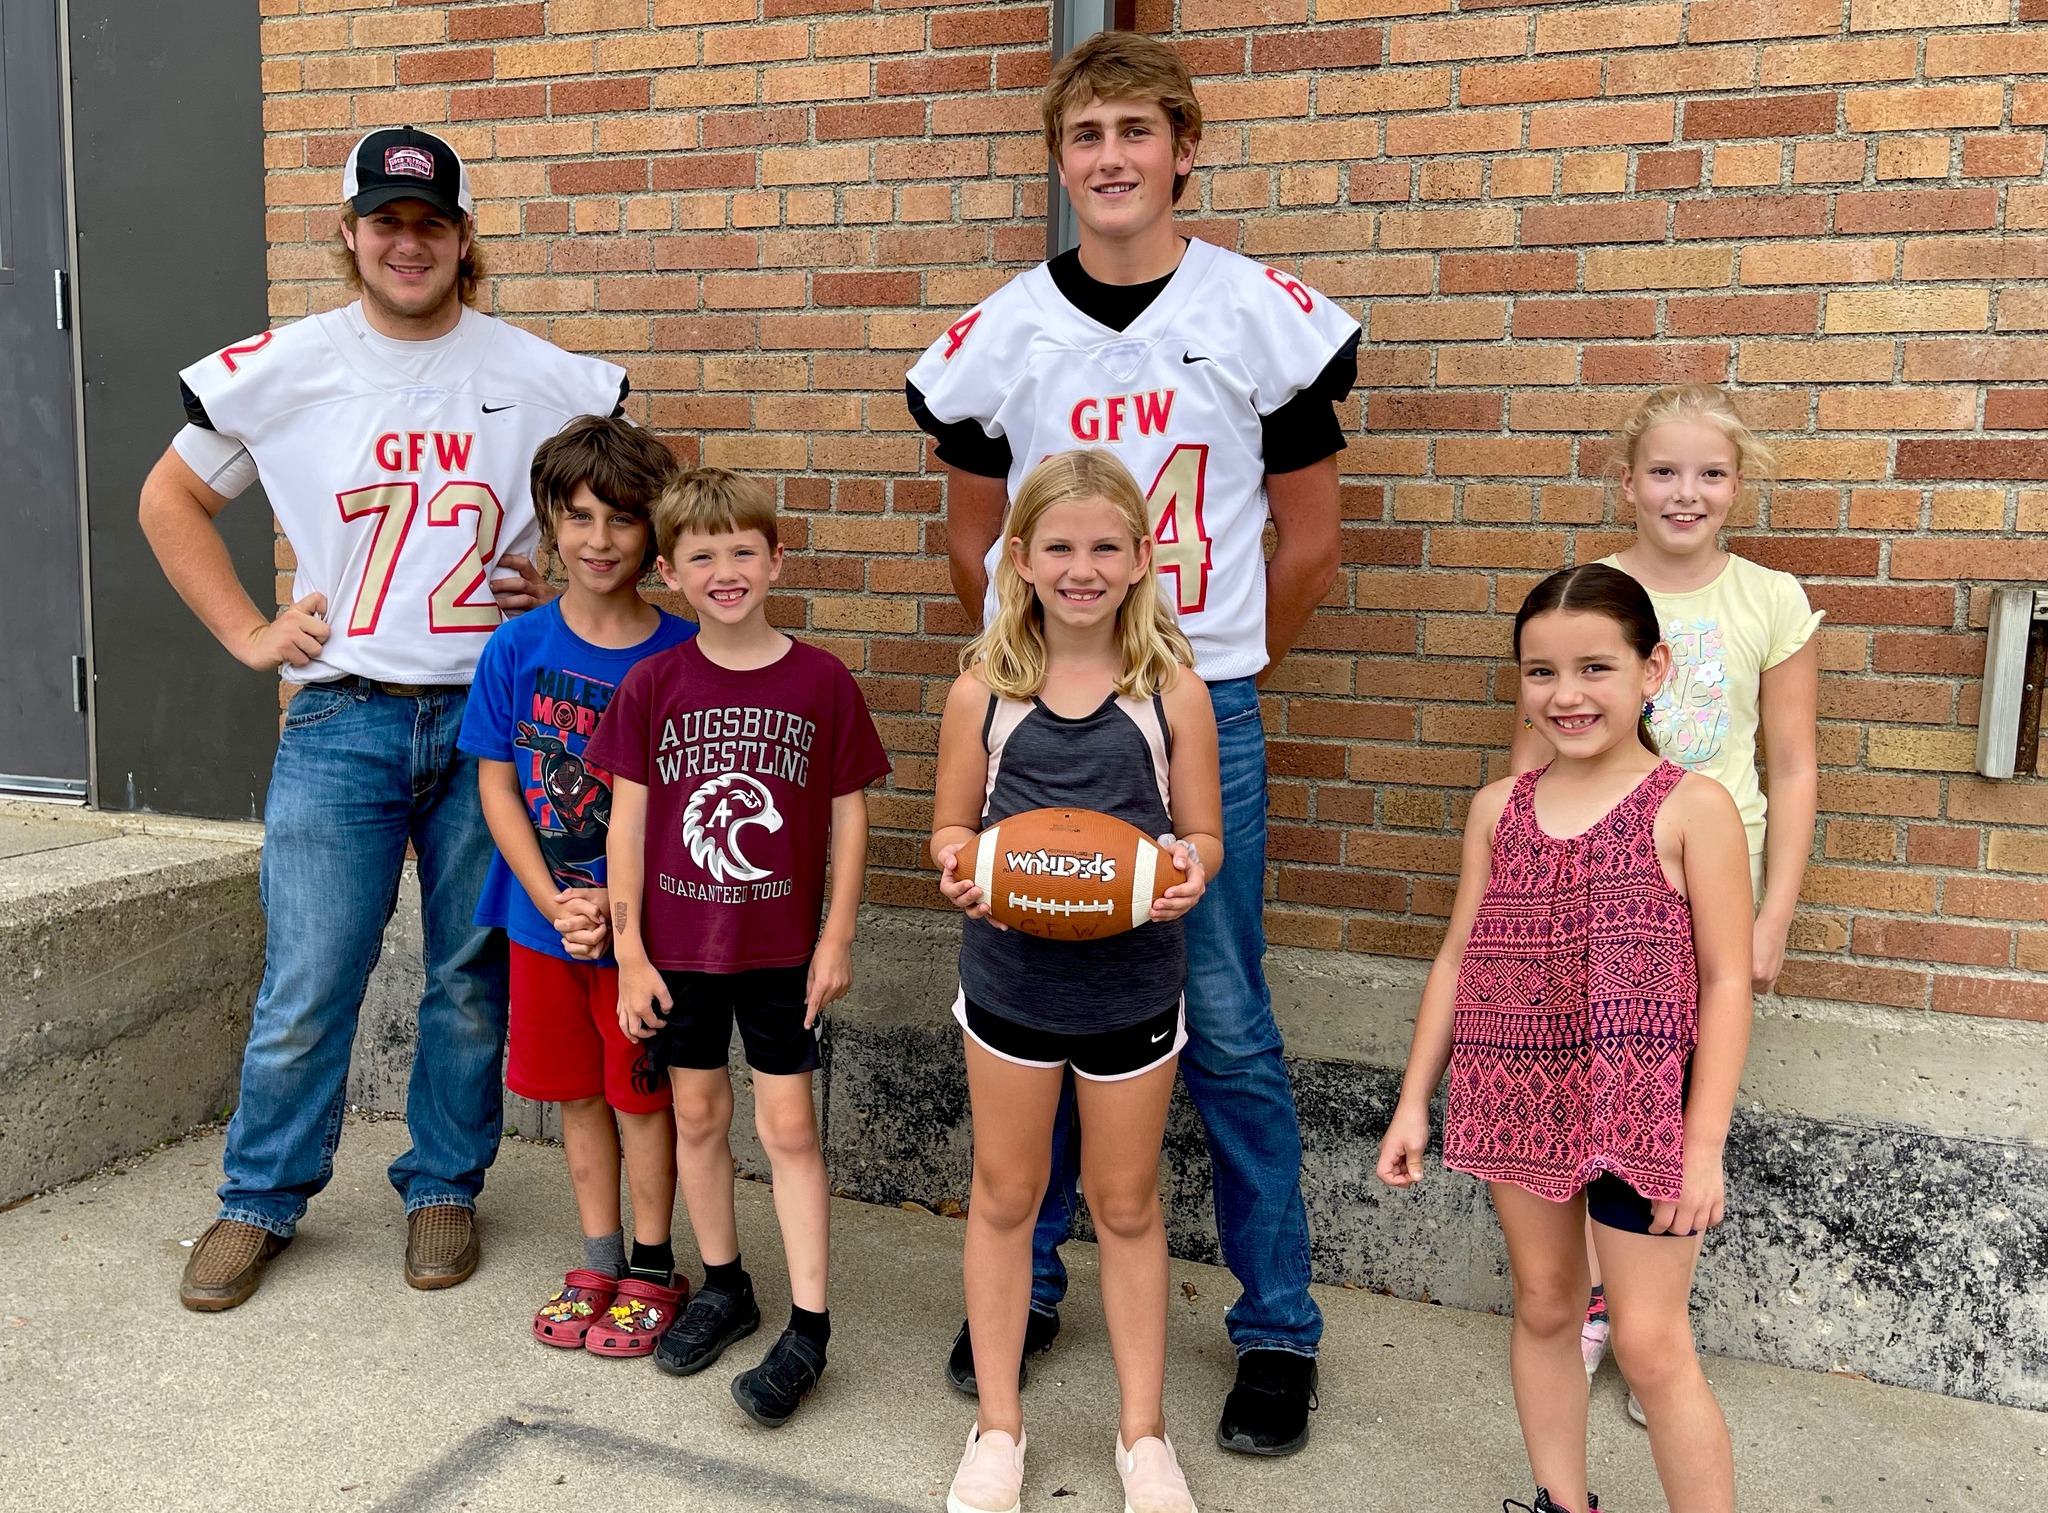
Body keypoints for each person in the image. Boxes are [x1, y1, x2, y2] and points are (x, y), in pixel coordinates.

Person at [905, 29, 1360, 1455]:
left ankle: (1277, 1324)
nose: (1112, 159)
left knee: (1220, 1020)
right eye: (1087, 135)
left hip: (1189, 702)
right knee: (1035, 981)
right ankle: (1026, 1286)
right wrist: (1024, 669)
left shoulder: (1256, 312)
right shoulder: (1006, 330)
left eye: (1137, 133)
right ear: (1061, 158)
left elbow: (1314, 532)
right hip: (1042, 702)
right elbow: (975, 535)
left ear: (1183, 150)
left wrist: (1217, 667)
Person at [142, 127, 630, 1311]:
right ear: (351, 236)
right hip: (343, 711)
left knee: (469, 973)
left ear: (464, 240)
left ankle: (442, 1183)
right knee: (312, 970)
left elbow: (611, 520)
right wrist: (250, 634)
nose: (406, 243)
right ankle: (259, 1195)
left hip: (492, 720)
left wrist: (558, 585)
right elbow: (170, 499)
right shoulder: (287, 365)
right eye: (384, 222)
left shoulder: (547, 373)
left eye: (430, 224)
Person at [1380, 564, 1754, 1513]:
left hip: (1641, 1110)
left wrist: (1701, 1141)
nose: (1567, 694)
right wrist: (1416, 1097)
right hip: (1515, 1092)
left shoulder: (1691, 806)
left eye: (1595, 666)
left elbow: (1725, 979)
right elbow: (1460, 956)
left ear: (1651, 668)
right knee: (1546, 1302)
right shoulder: (1498, 807)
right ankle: (1559, 1500)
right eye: (1541, 672)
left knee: (1649, 1341)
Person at [1509, 386, 1818, 1409]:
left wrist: (1771, 913)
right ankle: (1596, 1306)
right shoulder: (1590, 591)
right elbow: (1532, 757)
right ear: (1626, 479)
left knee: (1677, 1099)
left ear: (1738, 486)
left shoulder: (1767, 599)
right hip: (1588, 890)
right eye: (1663, 472)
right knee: (1584, 1084)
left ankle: (1653, 1321)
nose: (1684, 494)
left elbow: (1792, 761)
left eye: (1709, 474)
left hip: (1703, 892)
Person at [932, 451, 1221, 1513]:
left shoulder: (1168, 689)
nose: (1082, 566)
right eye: (1059, 546)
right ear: (1020, 559)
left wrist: (1188, 871)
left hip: (1131, 989)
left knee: (1127, 1202)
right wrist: (960, 868)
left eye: (1105, 546)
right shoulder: (985, 689)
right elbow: (949, 827)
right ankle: (997, 1427)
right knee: (1005, 1195)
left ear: (1144, 557)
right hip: (1009, 984)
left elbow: (1200, 835)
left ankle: (1143, 1438)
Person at [590, 467, 890, 1426]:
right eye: (702, 556)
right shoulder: (654, 685)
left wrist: (836, 934)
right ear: (670, 572)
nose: (725, 570)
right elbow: (624, 831)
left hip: (776, 952)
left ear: (775, 559)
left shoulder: (821, 681)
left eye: (742, 551)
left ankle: (810, 1325)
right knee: (699, 1117)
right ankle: (725, 1282)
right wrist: (632, 956)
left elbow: (850, 819)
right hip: (678, 952)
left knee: (789, 1130)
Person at [456, 416, 697, 1353]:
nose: (599, 541)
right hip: (538, 918)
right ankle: (596, 1257)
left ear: (654, 535)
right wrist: (556, 897)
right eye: (580, 517)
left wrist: (619, 911)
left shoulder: (681, 656)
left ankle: (649, 1263)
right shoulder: (514, 650)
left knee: (643, 1094)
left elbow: (683, 809)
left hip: (644, 937)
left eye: (623, 521)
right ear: (551, 523)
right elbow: (497, 782)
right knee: (577, 1094)